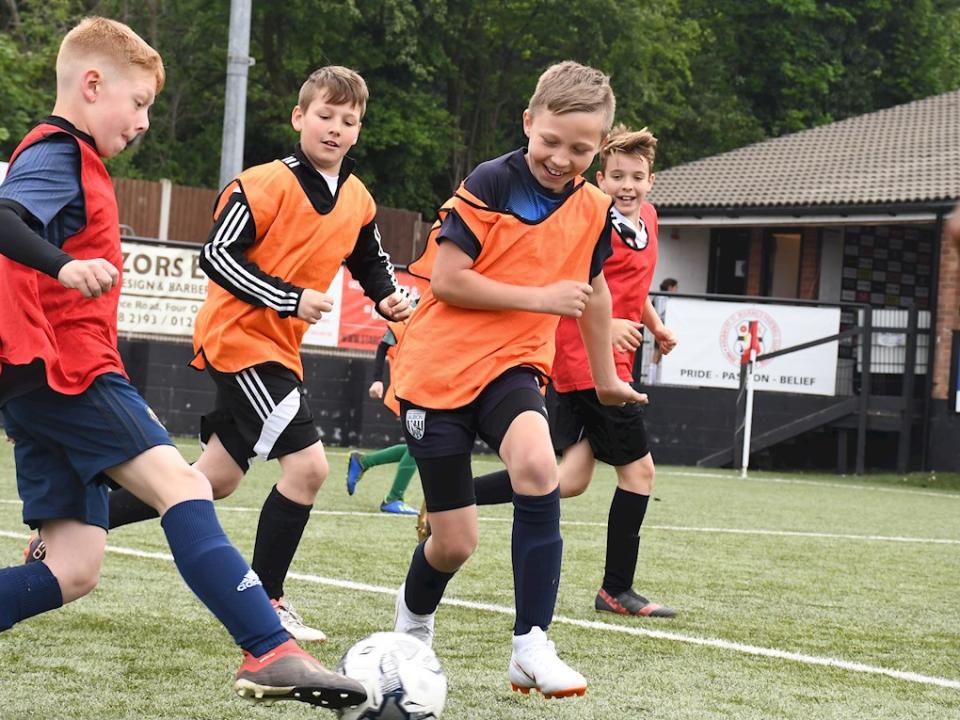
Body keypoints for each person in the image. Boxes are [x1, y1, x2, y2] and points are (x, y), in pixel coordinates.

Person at [0, 17, 365, 708]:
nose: (143, 121)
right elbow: (4, 217)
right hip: (68, 370)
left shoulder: (70, 159)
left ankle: (269, 646)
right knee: (185, 486)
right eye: (139, 102)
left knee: (73, 568)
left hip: (34, 379)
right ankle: (269, 648)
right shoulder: (59, 152)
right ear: (92, 84)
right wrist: (65, 265)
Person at [66, 64, 412, 642]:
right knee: (309, 468)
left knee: (210, 482)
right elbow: (216, 256)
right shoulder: (262, 183)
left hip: (279, 349)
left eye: (348, 120)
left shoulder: (357, 198)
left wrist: (388, 299)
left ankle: (77, 518)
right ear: (299, 117)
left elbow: (369, 261)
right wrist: (290, 298)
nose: (335, 128)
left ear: (359, 130)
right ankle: (268, 602)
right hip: (238, 341)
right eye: (325, 115)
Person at [390, 61, 646, 699]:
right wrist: (541, 298)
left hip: (513, 365)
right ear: (528, 123)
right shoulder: (490, 181)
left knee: (539, 469)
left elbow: (593, 293)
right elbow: (449, 280)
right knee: (455, 544)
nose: (561, 158)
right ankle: (412, 625)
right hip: (437, 370)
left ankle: (531, 645)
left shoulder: (593, 208)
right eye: (550, 141)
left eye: (580, 149)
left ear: (599, 148)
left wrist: (606, 379)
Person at [471, 125, 679, 620]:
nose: (627, 186)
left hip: (599, 363)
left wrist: (653, 325)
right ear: (600, 180)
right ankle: (616, 590)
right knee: (639, 472)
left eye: (637, 177)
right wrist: (610, 327)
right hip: (585, 362)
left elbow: (631, 289)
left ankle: (455, 497)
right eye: (617, 177)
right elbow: (574, 286)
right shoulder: (590, 221)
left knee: (570, 479)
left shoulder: (649, 219)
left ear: (651, 182)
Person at [346, 319, 419, 515]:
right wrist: (377, 379)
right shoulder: (414, 310)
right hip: (412, 390)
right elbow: (383, 345)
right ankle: (393, 498)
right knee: (419, 445)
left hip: (424, 389)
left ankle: (363, 462)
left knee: (418, 445)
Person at [648, 277, 678, 384]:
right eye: (675, 288)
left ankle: (653, 379)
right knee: (657, 353)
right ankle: (651, 380)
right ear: (670, 287)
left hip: (661, 327)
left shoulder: (660, 297)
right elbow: (659, 313)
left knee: (659, 353)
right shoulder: (661, 298)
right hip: (660, 328)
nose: (676, 290)